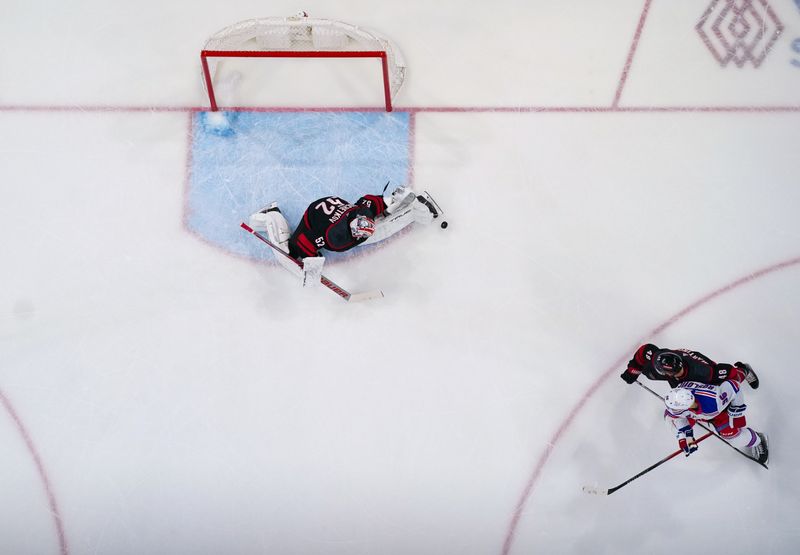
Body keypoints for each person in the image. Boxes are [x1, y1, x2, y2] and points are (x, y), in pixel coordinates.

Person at [248, 185, 442, 285]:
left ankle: (412, 209)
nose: (360, 237)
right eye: (358, 235)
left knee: (378, 228)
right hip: (317, 217)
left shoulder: (362, 214)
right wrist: (311, 267)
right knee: (290, 252)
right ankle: (270, 215)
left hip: (334, 208)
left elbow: (368, 203)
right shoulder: (327, 235)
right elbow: (303, 244)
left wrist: (390, 200)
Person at [663, 376, 768, 464]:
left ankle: (758, 440)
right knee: (669, 419)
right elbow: (674, 417)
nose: (673, 410)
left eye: (677, 409)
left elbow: (734, 385)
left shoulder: (714, 401)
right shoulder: (678, 398)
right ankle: (695, 419)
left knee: (734, 439)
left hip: (719, 415)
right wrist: (685, 436)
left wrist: (737, 413)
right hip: (698, 413)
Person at [620, 344, 759, 389]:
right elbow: (644, 350)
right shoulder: (657, 356)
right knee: (649, 373)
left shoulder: (705, 373)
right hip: (682, 370)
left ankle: (745, 370)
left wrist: (737, 373)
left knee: (727, 384)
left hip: (703, 368)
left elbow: (726, 371)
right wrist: (633, 370)